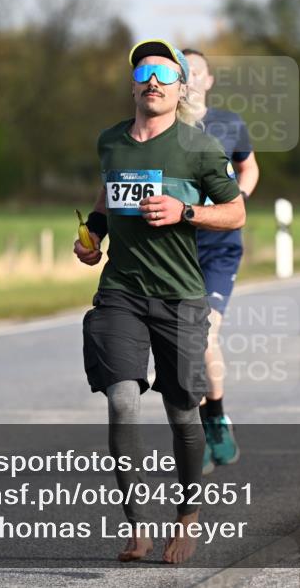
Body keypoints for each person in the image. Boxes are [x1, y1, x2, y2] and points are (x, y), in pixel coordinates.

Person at [74, 39, 245, 564]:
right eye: (144, 71)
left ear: (179, 89)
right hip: (121, 291)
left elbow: (235, 212)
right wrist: (94, 233)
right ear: (133, 83)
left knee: (180, 411)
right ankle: (138, 526)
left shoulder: (199, 148)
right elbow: (109, 194)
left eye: (164, 75)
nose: (153, 81)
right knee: (123, 400)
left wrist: (185, 212)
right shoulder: (111, 142)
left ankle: (187, 519)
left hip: (180, 296)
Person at [181, 48, 259, 475]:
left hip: (219, 247)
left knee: (204, 332)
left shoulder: (229, 123)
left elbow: (249, 168)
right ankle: (200, 425)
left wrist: (237, 199)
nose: (190, 79)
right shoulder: (163, 127)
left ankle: (216, 418)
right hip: (174, 250)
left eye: (197, 72)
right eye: (183, 73)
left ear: (208, 80)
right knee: (180, 345)